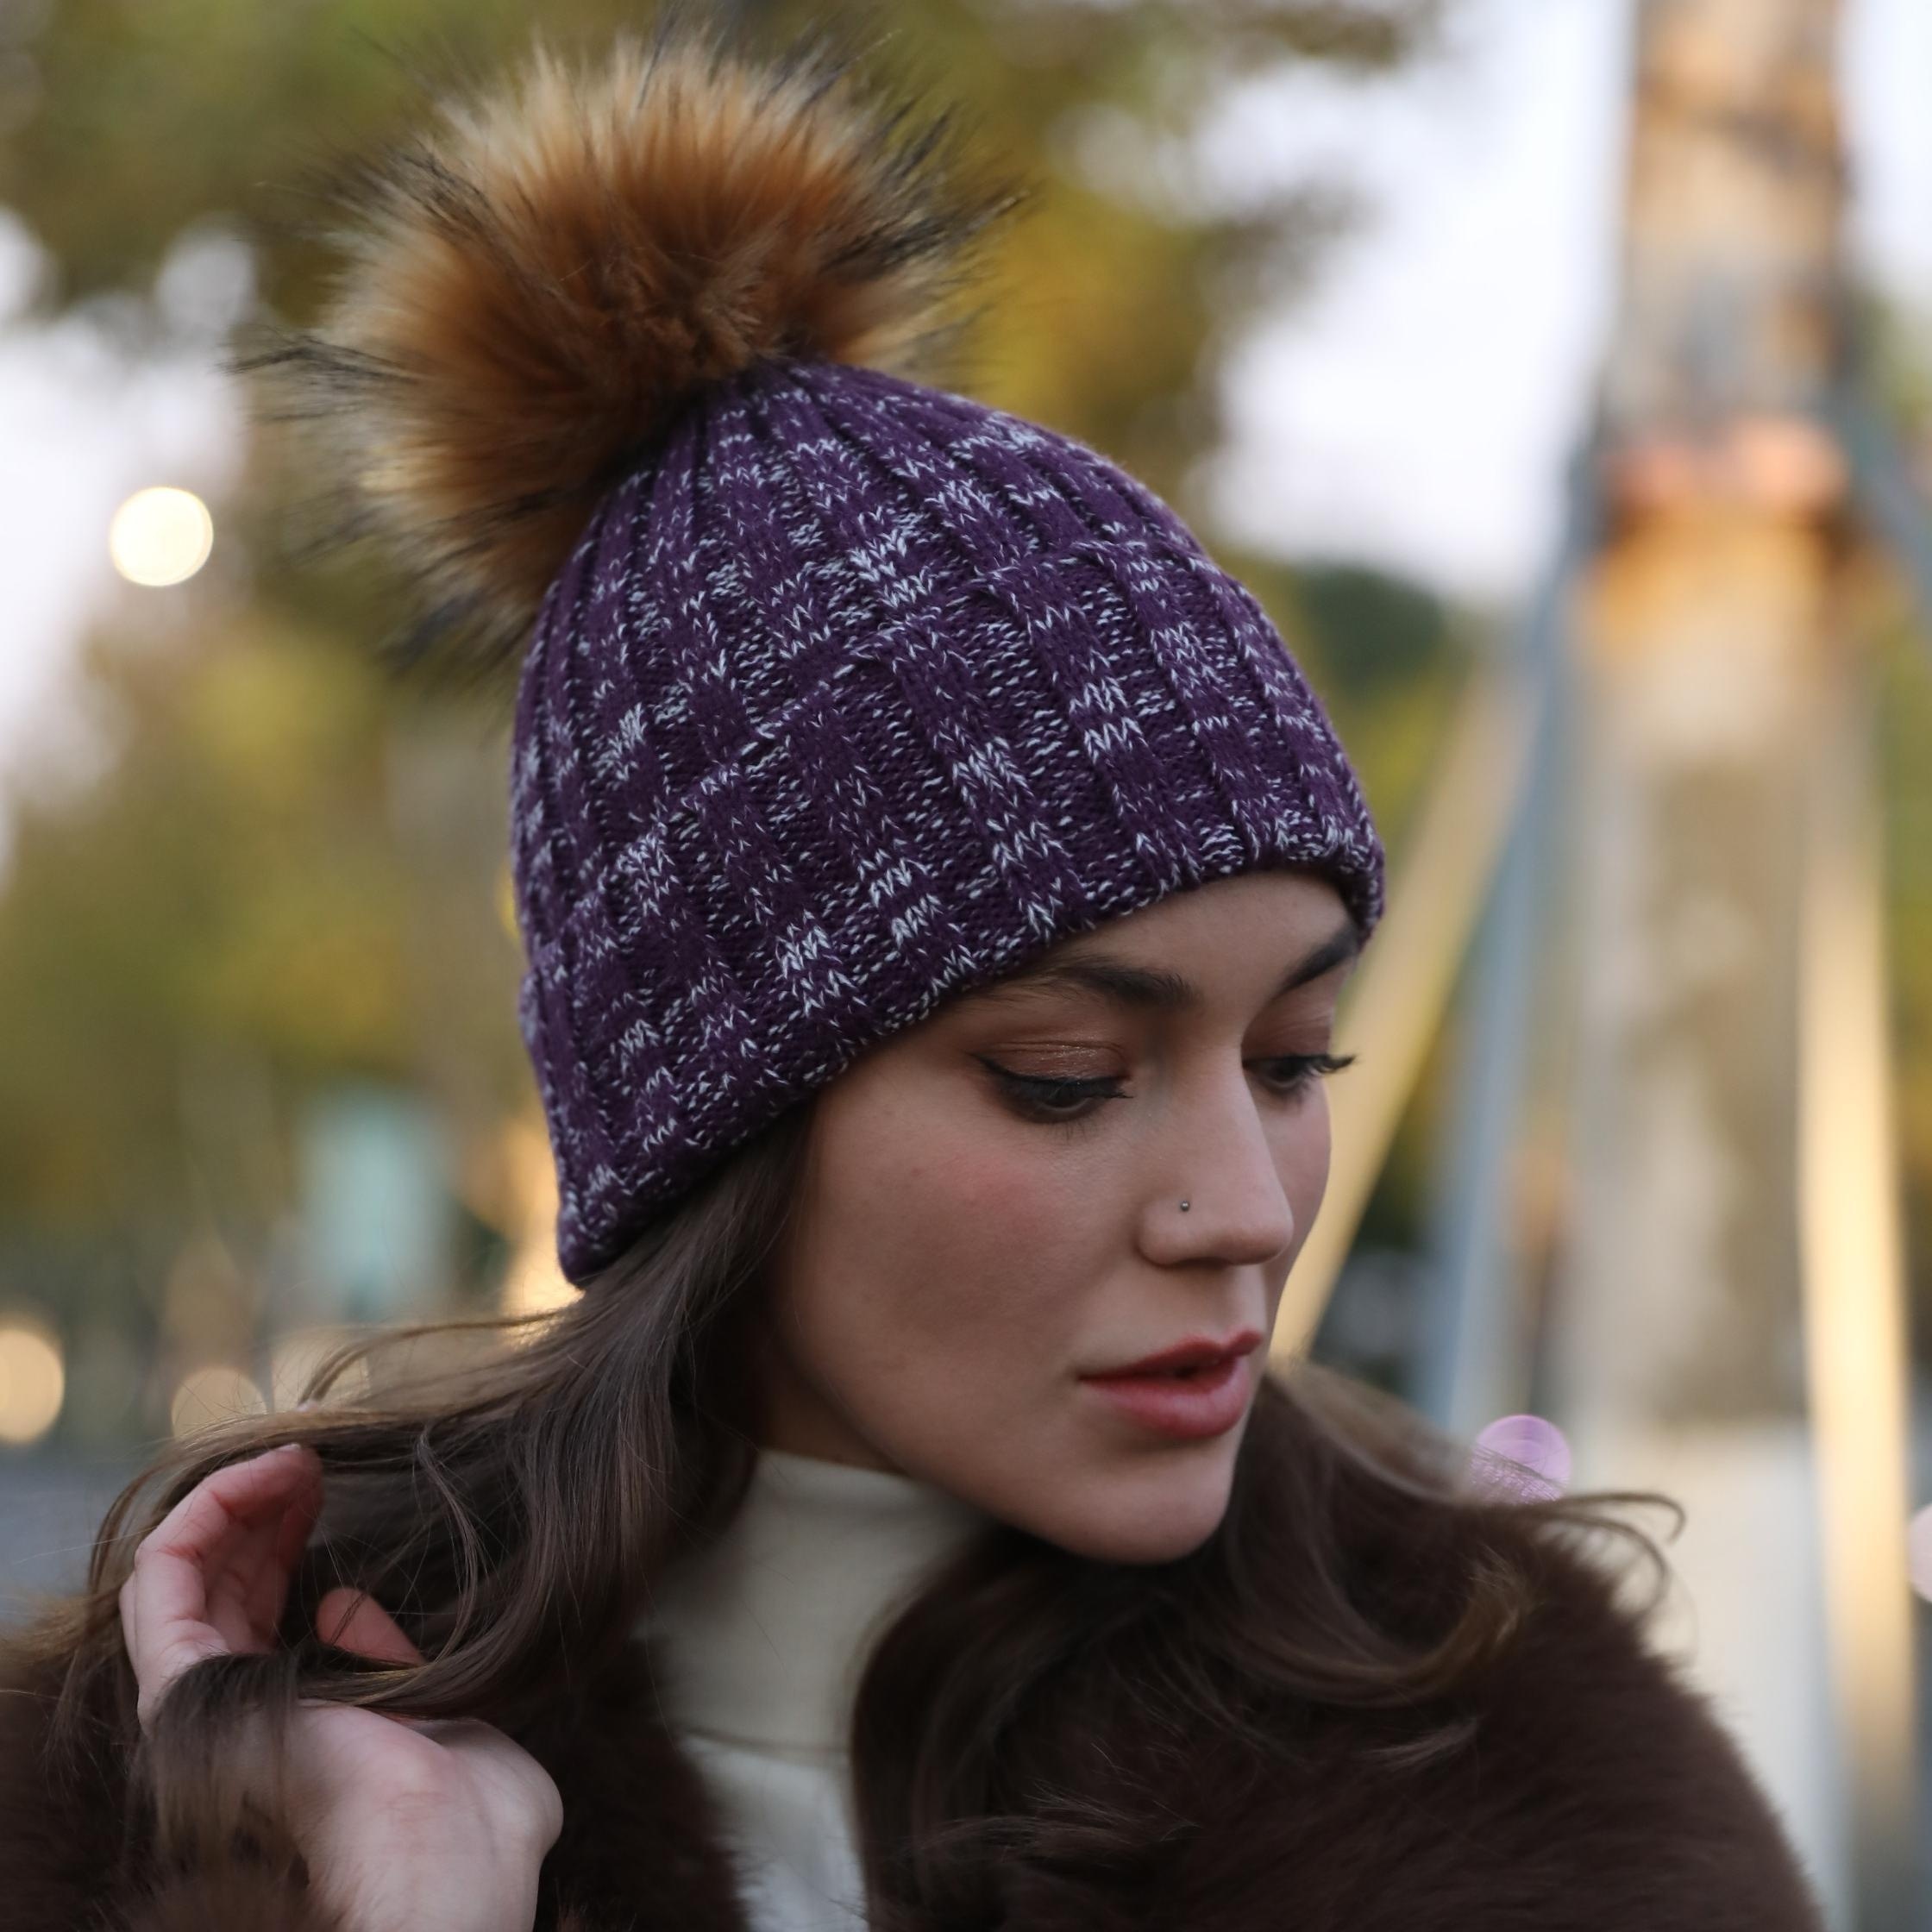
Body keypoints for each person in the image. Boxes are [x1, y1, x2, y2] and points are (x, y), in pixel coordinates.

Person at [0, 13, 1825, 1931]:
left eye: (1294, 1061)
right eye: (1064, 1072)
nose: (1241, 1211)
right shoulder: (138, 1817)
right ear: (717, 1129)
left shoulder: (1533, 1773)